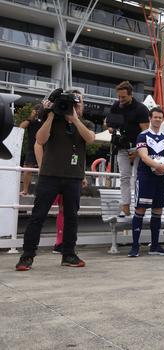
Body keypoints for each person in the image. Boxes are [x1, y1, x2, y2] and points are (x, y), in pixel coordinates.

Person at [15, 90, 95, 271]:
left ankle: (69, 254)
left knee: (71, 218)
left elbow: (90, 139)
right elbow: (40, 139)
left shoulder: (85, 123)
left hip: (73, 177)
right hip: (49, 175)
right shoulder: (52, 120)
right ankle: (27, 256)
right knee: (38, 216)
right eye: (73, 104)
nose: (75, 107)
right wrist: (51, 115)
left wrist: (74, 119)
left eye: (78, 103)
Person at [127, 107, 164, 257]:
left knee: (158, 210)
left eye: (160, 117)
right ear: (150, 118)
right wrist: (157, 166)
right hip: (146, 177)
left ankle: (154, 246)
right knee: (140, 209)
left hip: (160, 178)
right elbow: (144, 156)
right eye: (155, 117)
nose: (158, 120)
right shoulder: (143, 136)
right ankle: (135, 246)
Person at [107, 81, 150, 217]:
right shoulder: (116, 106)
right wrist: (109, 127)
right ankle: (125, 207)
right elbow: (107, 122)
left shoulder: (141, 109)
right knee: (124, 177)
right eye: (119, 97)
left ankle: (138, 206)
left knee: (138, 177)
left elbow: (146, 132)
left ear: (131, 95)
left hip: (138, 147)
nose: (120, 100)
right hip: (121, 146)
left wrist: (139, 150)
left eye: (123, 97)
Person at [18, 104, 42, 196]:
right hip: (31, 148)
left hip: (44, 149)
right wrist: (31, 117)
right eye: (37, 110)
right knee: (28, 169)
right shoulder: (31, 121)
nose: (38, 113)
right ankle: (25, 190)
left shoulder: (46, 120)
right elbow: (21, 127)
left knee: (43, 171)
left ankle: (40, 192)